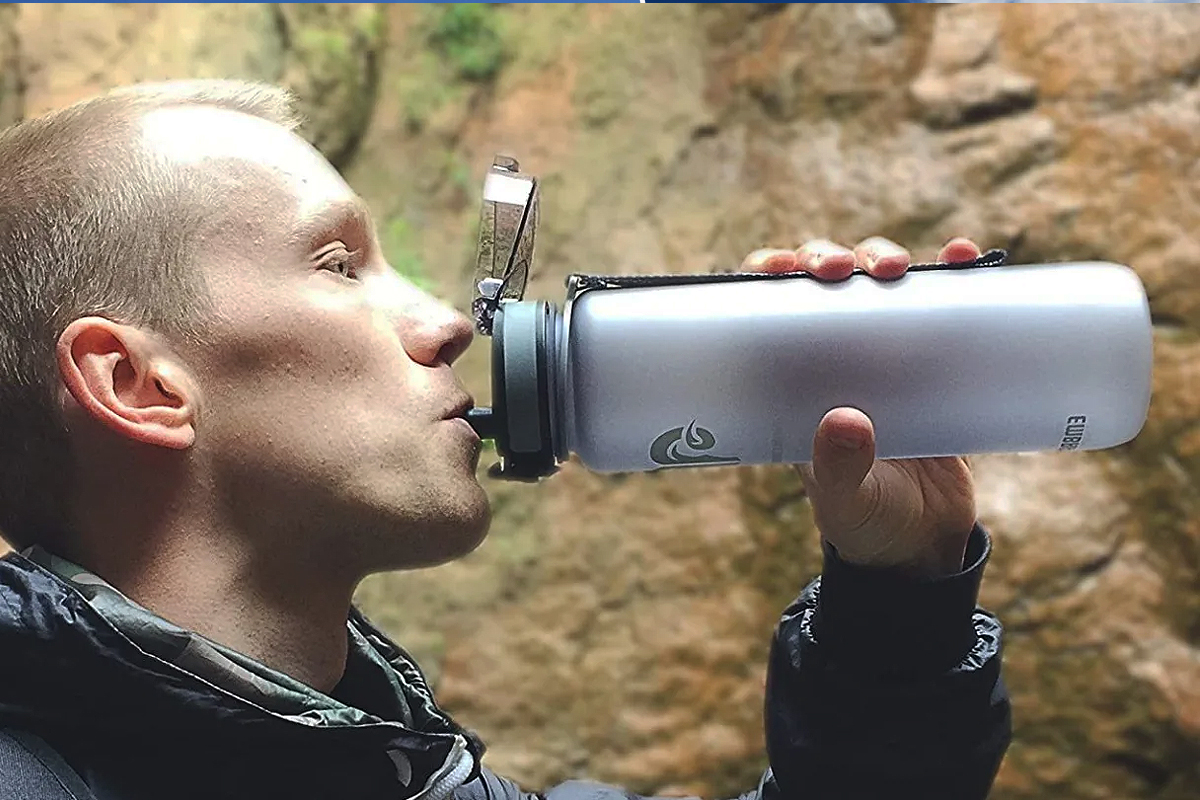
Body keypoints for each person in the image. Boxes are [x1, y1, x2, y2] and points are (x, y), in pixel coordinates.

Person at [0, 80, 1010, 800]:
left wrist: (901, 597)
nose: (444, 319)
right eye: (340, 262)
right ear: (134, 382)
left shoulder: (413, 771)